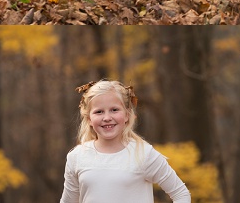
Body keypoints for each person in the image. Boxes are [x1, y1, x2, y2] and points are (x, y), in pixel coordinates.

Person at [60, 79, 191, 203]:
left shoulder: (144, 154)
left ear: (127, 115)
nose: (107, 117)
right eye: (99, 112)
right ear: (89, 119)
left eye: (114, 110)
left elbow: (181, 194)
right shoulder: (77, 157)